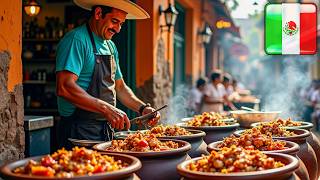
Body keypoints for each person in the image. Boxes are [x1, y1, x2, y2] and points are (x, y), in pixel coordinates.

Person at [55, 0, 159, 149]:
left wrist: (143, 108)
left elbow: (120, 87)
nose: (118, 29)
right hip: (78, 131)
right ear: (98, 13)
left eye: (121, 24)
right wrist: (107, 109)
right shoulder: (76, 40)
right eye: (114, 21)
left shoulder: (110, 46)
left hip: (105, 131)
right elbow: (64, 87)